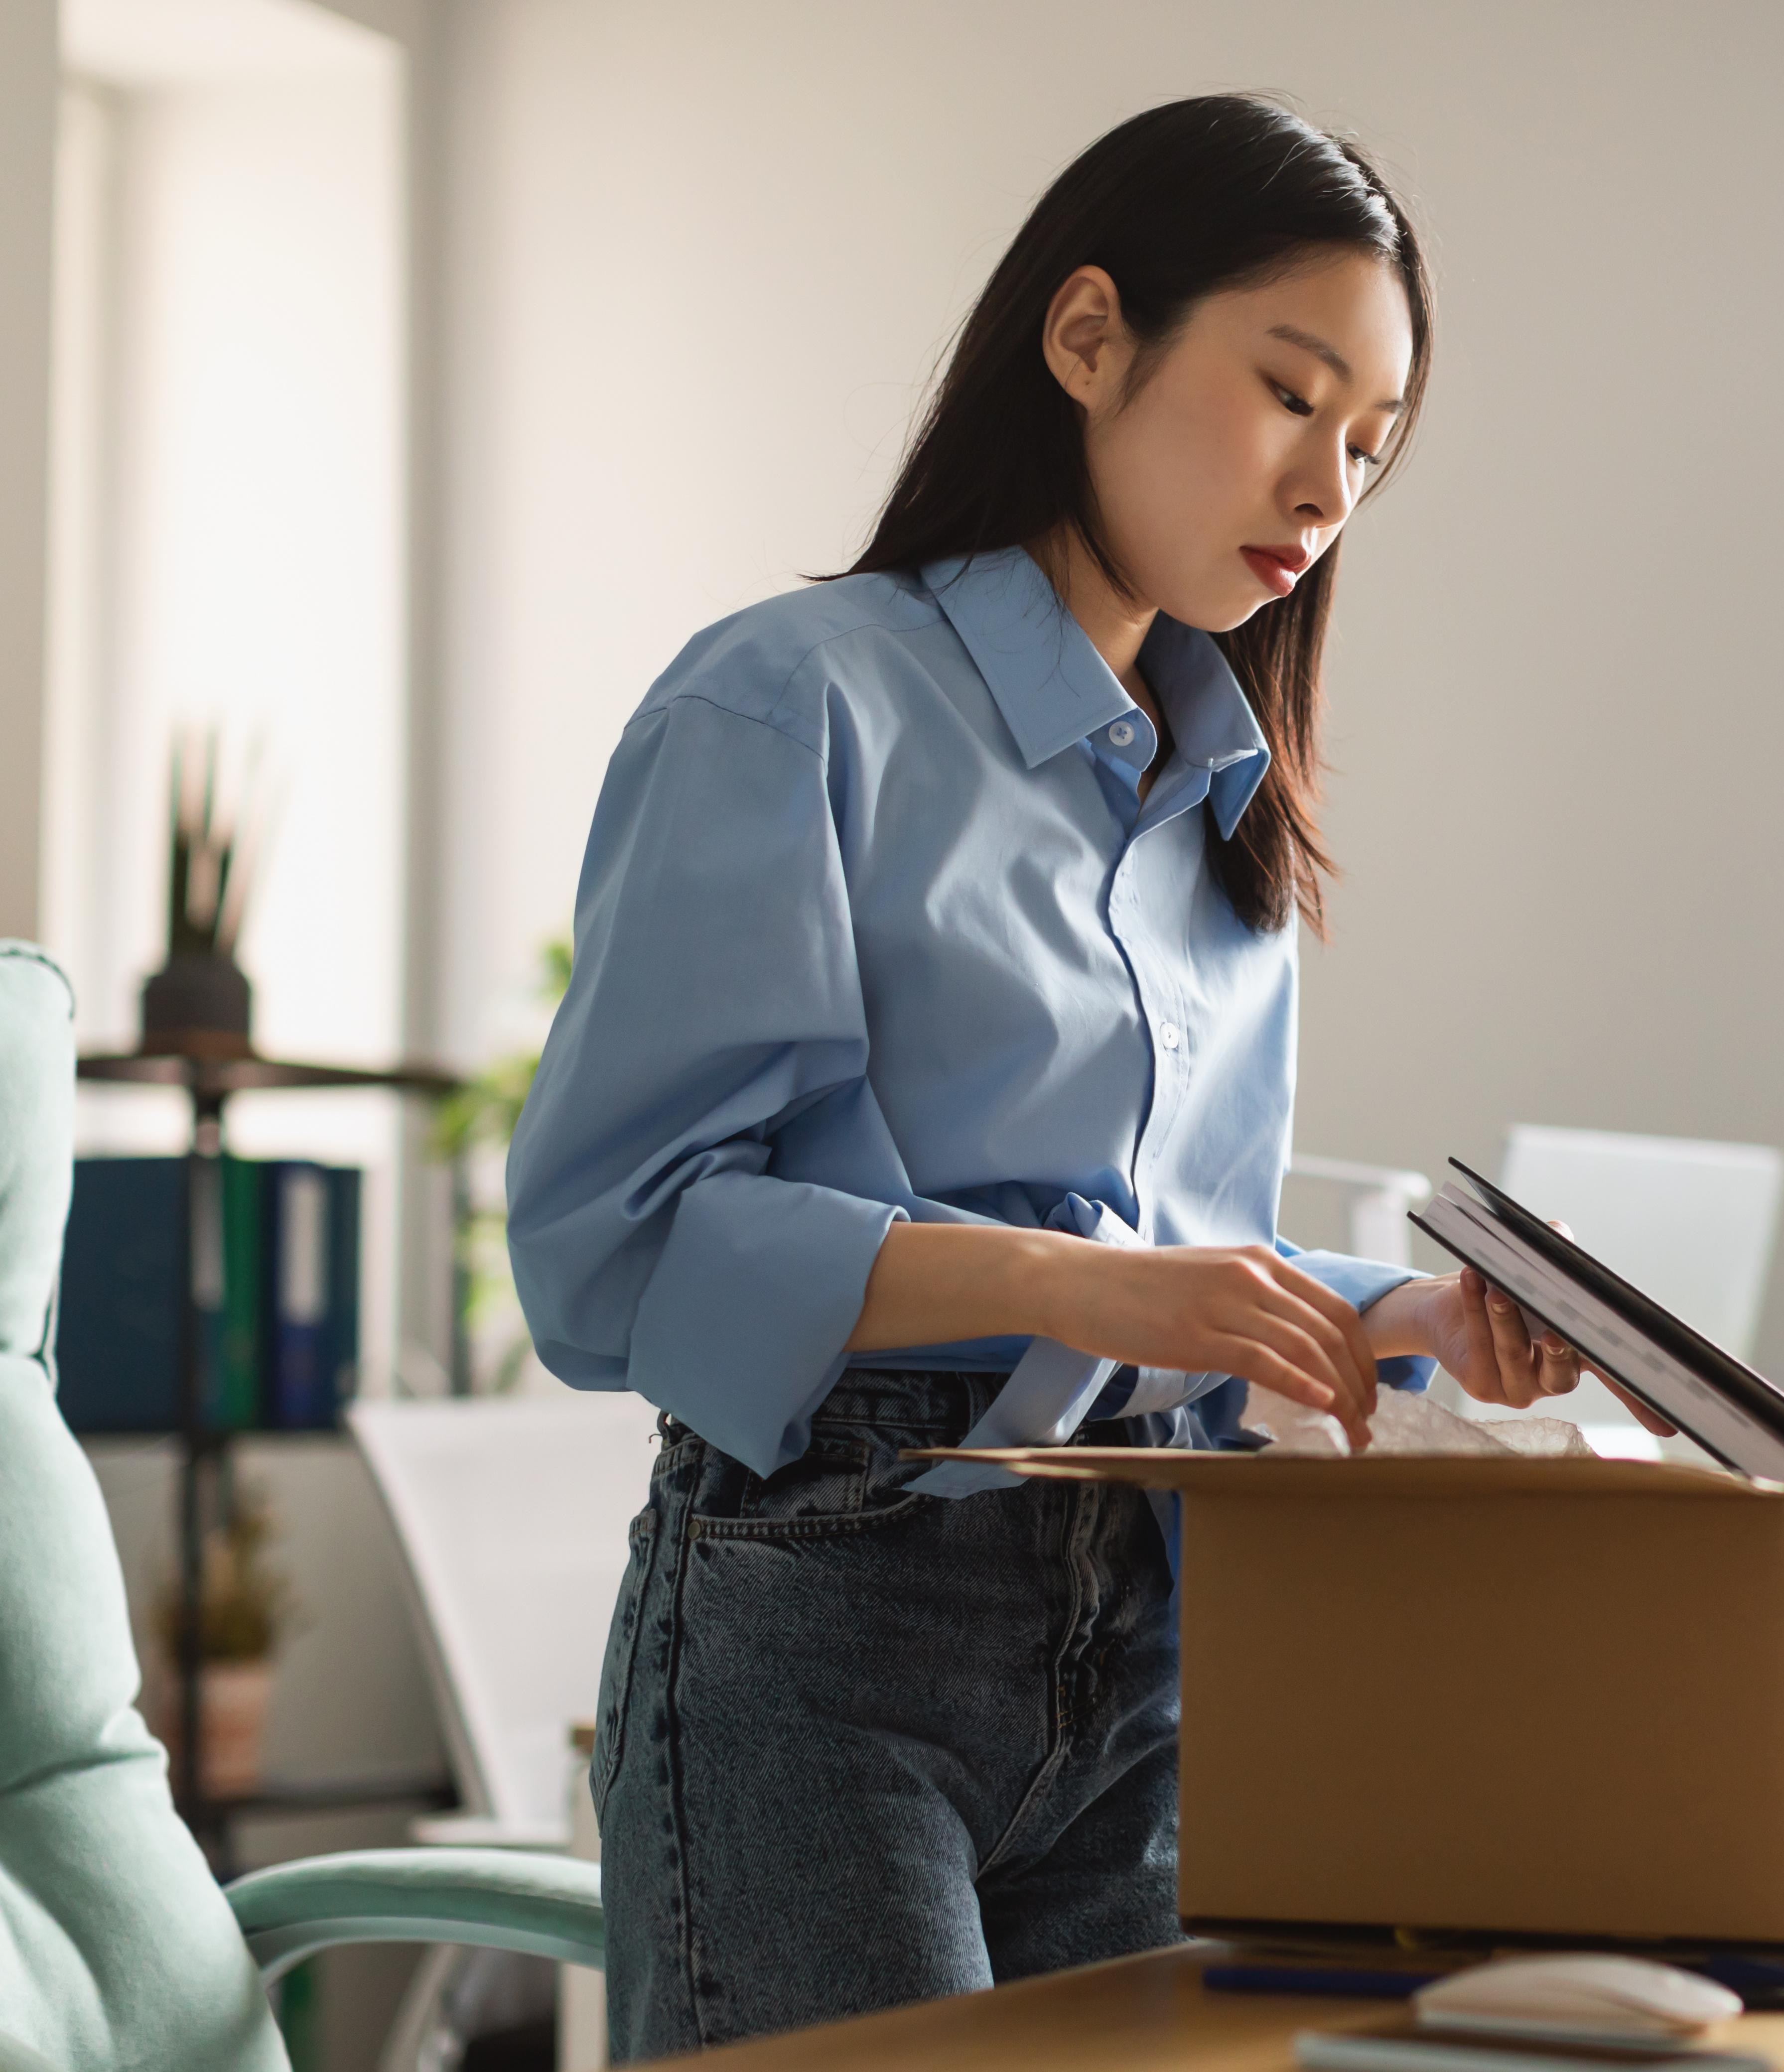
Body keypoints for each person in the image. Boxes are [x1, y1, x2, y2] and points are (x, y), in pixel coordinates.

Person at [505, 94, 1666, 2060]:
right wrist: (1071, 1283)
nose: (1329, 489)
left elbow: (1174, 1261)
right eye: (1293, 395)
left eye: (1372, 447)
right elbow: (611, 1250)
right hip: (830, 1629)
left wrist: (1398, 1319)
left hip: (1143, 1644)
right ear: (1089, 337)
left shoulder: (1231, 818)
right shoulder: (792, 700)